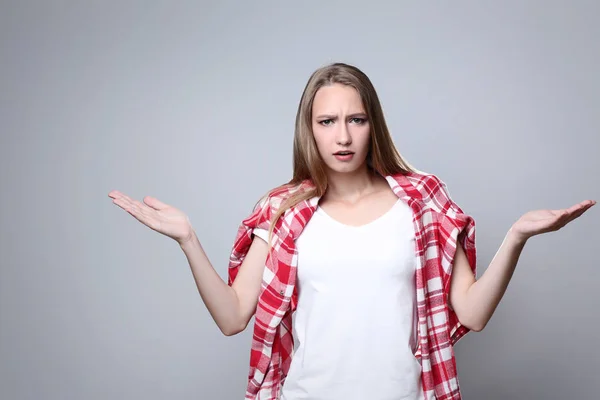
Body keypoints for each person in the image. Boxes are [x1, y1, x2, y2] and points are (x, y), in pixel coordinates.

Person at [108, 62, 595, 400]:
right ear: (310, 129)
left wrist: (516, 238)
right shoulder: (284, 211)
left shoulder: (422, 203)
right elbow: (234, 315)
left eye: (355, 120)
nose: (342, 136)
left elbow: (471, 312)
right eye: (328, 121)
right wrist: (188, 239)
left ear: (372, 125)